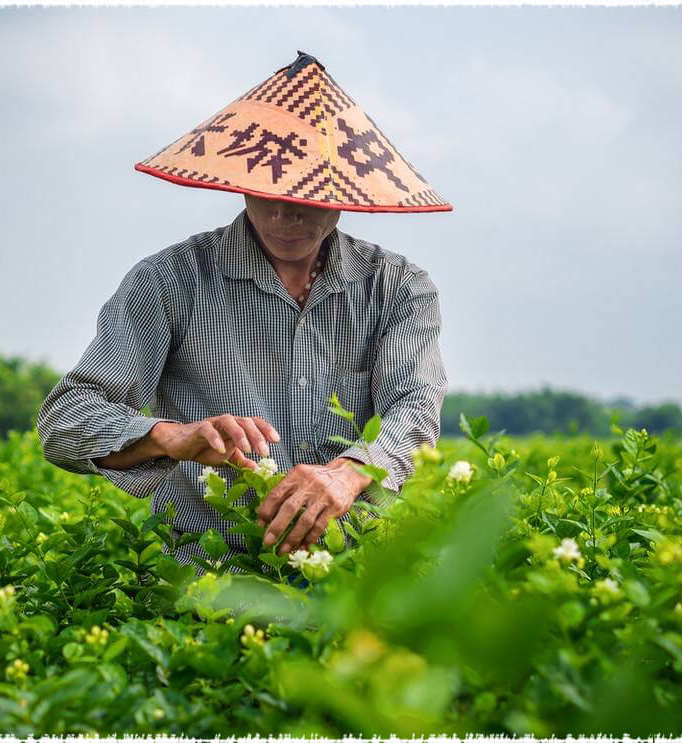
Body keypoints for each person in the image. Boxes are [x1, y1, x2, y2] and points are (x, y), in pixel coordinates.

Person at [36, 52, 451, 573]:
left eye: (306, 195)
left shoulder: (396, 288)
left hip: (354, 575)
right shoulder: (169, 281)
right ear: (239, 182)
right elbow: (65, 420)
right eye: (265, 193)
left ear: (344, 195)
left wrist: (348, 473)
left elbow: (414, 410)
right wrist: (172, 436)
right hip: (207, 575)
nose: (283, 215)